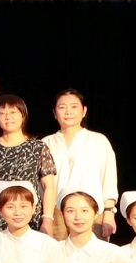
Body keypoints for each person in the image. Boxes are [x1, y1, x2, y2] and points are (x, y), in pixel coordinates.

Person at [43, 90, 119, 239]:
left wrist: (109, 213)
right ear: (54, 113)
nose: (68, 112)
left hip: (92, 210)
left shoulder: (99, 141)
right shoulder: (45, 143)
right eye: (62, 107)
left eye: (74, 106)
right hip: (56, 214)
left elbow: (109, 179)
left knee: (93, 253)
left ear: (84, 111)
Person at [0, 95, 58, 238]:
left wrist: (47, 220)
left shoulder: (37, 147)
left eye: (13, 112)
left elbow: (49, 186)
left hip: (30, 217)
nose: (8, 117)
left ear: (23, 116)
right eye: (2, 113)